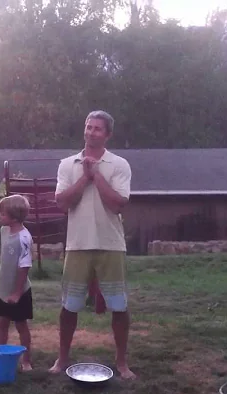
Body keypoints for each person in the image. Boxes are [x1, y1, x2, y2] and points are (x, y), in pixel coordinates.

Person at [49, 110, 136, 380]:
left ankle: (121, 362)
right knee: (69, 307)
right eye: (88, 127)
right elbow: (62, 203)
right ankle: (62, 359)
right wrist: (84, 177)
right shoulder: (67, 164)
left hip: (111, 245)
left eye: (98, 128)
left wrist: (96, 175)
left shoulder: (119, 164)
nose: (91, 132)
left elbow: (118, 203)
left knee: (119, 307)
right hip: (77, 245)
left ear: (107, 134)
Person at [0, 194, 34, 371]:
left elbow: (24, 267)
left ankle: (26, 360)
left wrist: (17, 293)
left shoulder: (24, 238)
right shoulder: (4, 231)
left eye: (2, 214)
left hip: (19, 292)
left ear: (14, 216)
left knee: (21, 325)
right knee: (2, 323)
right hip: (3, 290)